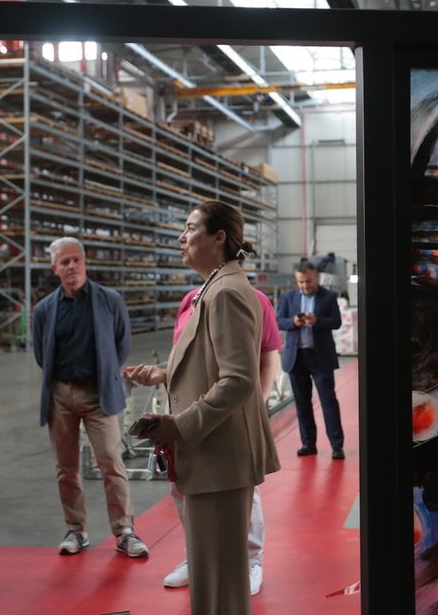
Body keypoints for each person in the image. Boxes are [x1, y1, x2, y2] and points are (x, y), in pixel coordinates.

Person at [124, 201, 280, 615]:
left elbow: (239, 380)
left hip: (219, 458)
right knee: (212, 578)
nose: (181, 237)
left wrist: (179, 425)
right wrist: (166, 374)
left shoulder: (226, 293)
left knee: (219, 585)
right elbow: (211, 365)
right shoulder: (213, 289)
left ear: (218, 238)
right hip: (211, 456)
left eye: (191, 228)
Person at [160, 285, 282, 596]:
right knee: (182, 485)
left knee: (243, 487)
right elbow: (178, 356)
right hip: (188, 409)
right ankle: (197, 557)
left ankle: (251, 562)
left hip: (230, 411)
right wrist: (163, 381)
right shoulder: (190, 299)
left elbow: (269, 356)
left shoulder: (254, 299)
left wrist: (258, 404)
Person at [31, 237, 148, 558]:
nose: (72, 266)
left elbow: (122, 344)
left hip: (99, 393)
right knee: (66, 467)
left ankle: (124, 531)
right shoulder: (44, 310)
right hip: (60, 394)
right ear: (54, 268)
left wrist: (105, 373)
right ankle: (76, 529)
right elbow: (41, 354)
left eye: (76, 260)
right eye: (64, 262)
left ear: (85, 263)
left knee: (111, 461)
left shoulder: (109, 300)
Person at [276, 262, 345, 459]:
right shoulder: (288, 297)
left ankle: (337, 446)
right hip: (297, 358)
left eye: (308, 281)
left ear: (316, 277)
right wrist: (293, 322)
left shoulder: (328, 296)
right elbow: (278, 320)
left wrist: (318, 321)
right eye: (301, 282)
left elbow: (336, 322)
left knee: (328, 402)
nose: (305, 285)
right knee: (302, 403)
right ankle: (308, 443)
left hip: (320, 357)